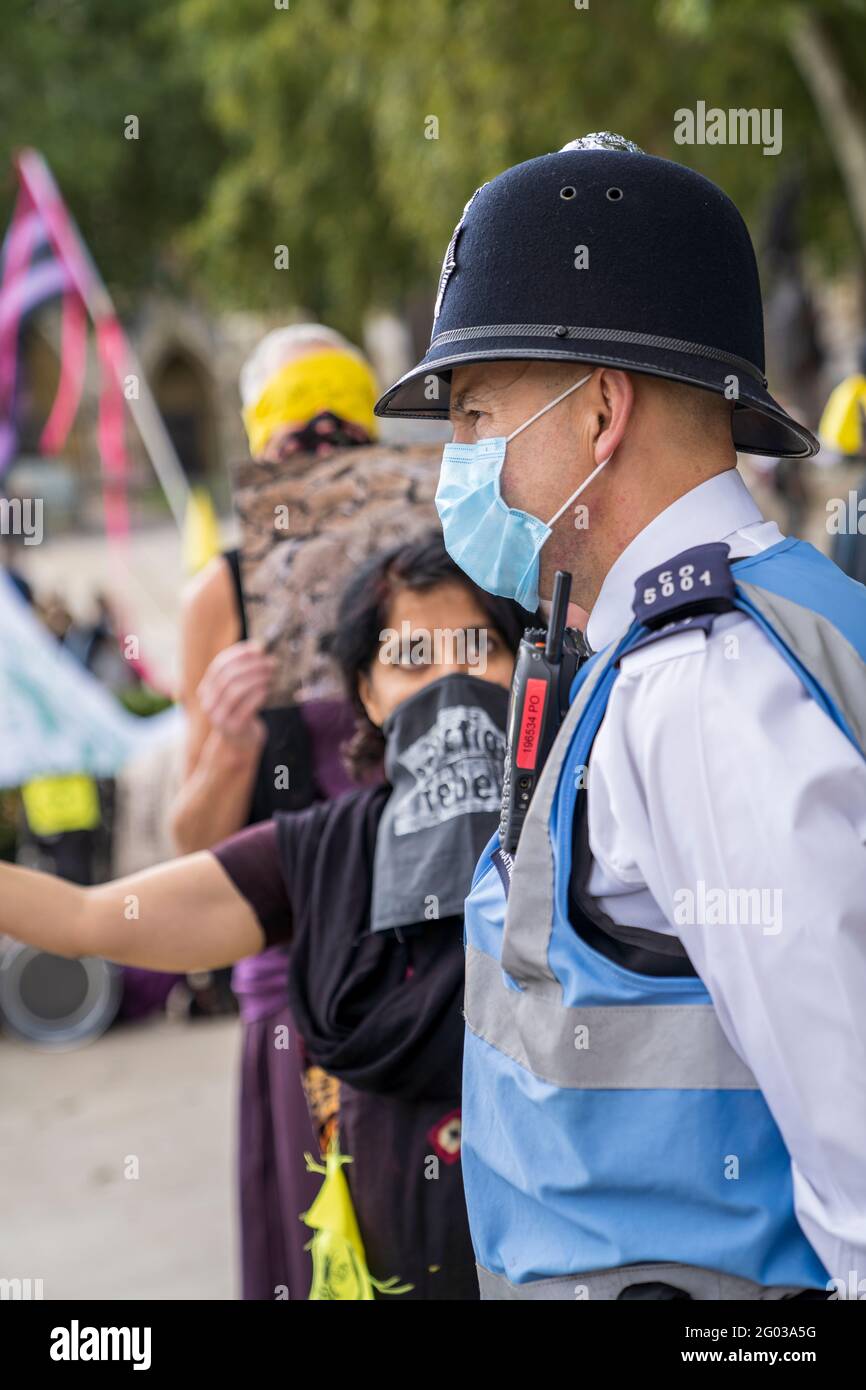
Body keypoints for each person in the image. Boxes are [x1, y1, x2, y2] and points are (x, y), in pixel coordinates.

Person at [373, 133, 866, 1300]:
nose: (453, 462)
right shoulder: (776, 617)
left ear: (599, 411)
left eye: (474, 414)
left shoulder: (699, 687)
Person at [0, 532, 529, 1299]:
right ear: (367, 693)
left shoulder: (586, 827)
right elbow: (86, 918)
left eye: (478, 649)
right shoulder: (317, 854)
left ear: (529, 668)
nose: (450, 682)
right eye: (413, 660)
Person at [170, 323, 387, 1299]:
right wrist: (229, 739)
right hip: (291, 954)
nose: (322, 444)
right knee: (316, 1247)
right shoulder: (219, 592)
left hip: (418, 948)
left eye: (344, 422)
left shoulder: (430, 569)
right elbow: (190, 839)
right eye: (297, 428)